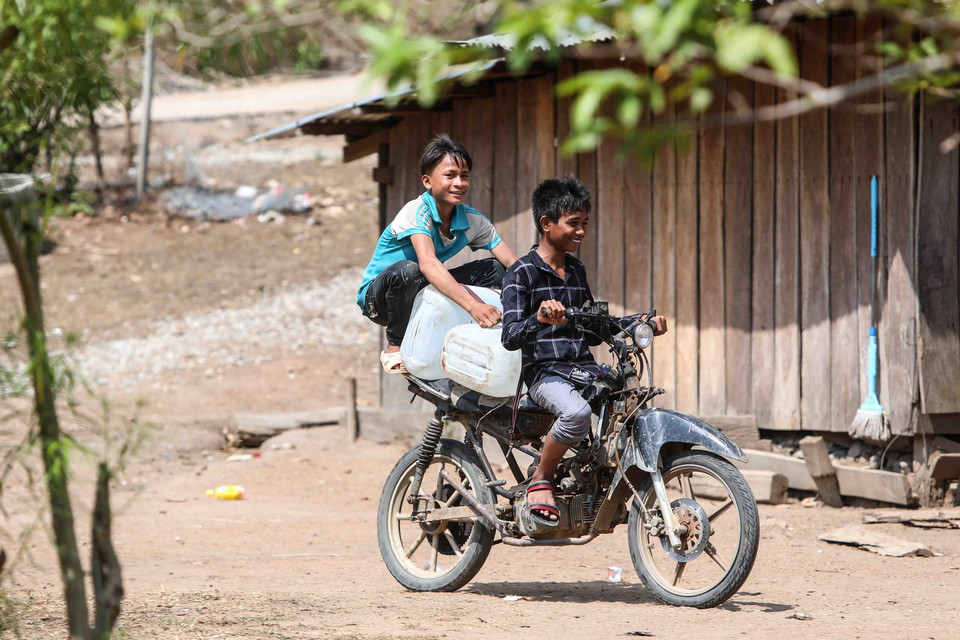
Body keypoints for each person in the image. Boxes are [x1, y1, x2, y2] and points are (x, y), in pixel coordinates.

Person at [501, 175, 666, 526]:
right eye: (573, 223)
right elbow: (510, 336)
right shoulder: (520, 273)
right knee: (576, 415)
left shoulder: (576, 270)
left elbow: (594, 330)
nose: (581, 232)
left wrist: (641, 322)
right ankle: (541, 478)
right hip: (545, 373)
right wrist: (539, 318)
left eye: (585, 224)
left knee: (631, 401)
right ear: (546, 223)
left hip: (583, 369)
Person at [357, 134, 518, 373]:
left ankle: (491, 336)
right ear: (427, 181)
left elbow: (513, 263)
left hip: (420, 289)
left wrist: (545, 293)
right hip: (380, 299)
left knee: (496, 269)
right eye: (450, 175)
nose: (459, 183)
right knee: (409, 269)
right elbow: (428, 264)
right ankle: (395, 346)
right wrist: (474, 305)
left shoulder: (472, 220)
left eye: (464, 176)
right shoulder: (416, 211)